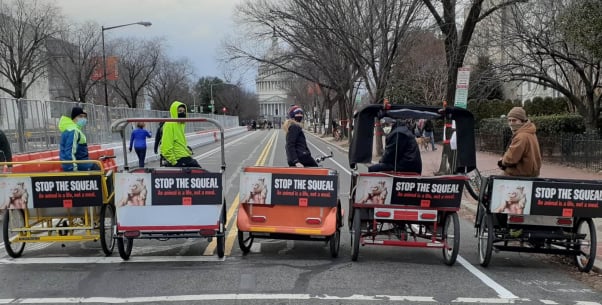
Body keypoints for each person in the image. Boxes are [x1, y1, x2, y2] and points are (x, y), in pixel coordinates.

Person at [497, 107, 542, 177]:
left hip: (520, 174)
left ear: (522, 121)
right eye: (509, 120)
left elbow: (511, 158)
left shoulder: (521, 136)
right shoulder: (530, 132)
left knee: (496, 183)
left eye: (514, 120)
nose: (511, 123)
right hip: (531, 172)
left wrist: (502, 161)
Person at [160, 101, 201, 167]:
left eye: (184, 111)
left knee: (200, 172)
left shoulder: (180, 124)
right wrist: (174, 162)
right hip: (178, 159)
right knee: (200, 173)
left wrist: (187, 150)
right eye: (180, 111)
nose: (182, 113)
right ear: (174, 111)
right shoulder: (169, 124)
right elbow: (166, 146)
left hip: (183, 156)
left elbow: (179, 143)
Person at [58, 107, 99, 171]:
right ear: (73, 118)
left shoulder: (71, 129)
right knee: (95, 168)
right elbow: (70, 152)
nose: (83, 119)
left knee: (95, 165)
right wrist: (73, 170)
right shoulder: (73, 131)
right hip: (76, 165)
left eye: (84, 117)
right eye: (80, 116)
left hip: (77, 163)